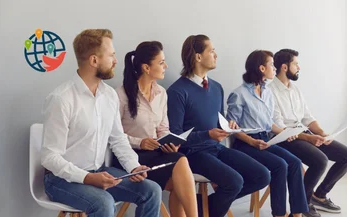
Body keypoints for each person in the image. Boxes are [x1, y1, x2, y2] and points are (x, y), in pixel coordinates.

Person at [41, 29, 161, 217]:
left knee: (151, 191)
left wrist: (133, 166)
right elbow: (49, 157)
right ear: (94, 60)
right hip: (61, 179)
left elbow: (118, 139)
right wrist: (87, 178)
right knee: (104, 203)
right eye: (111, 55)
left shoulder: (109, 95)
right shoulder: (61, 99)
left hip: (98, 171)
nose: (115, 60)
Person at [167, 34, 271, 217]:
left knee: (262, 175)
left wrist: (228, 126)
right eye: (212, 51)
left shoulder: (216, 88)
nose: (216, 55)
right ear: (198, 56)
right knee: (234, 181)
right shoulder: (177, 91)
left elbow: (217, 122)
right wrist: (208, 134)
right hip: (193, 153)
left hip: (216, 148)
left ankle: (200, 206)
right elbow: (176, 136)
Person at [114, 41, 198, 217]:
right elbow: (113, 135)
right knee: (180, 170)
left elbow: (163, 128)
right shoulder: (120, 95)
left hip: (156, 153)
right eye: (161, 62)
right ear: (146, 67)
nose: (166, 66)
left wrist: (169, 142)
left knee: (180, 160)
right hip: (130, 157)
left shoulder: (162, 93)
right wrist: (140, 142)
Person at [226, 50, 308, 217]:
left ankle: (297, 213)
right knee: (280, 165)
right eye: (271, 65)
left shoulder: (267, 92)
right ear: (262, 68)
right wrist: (251, 142)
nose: (274, 68)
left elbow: (268, 124)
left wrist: (286, 132)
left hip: (265, 140)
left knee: (295, 163)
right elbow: (232, 129)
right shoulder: (239, 94)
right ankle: (279, 214)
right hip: (246, 144)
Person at [269, 48, 347, 217]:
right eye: (296, 64)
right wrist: (310, 138)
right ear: (284, 67)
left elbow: (307, 117)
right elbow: (280, 128)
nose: (299, 67)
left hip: (303, 133)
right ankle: (302, 204)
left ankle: (319, 196)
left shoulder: (295, 89)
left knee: (345, 155)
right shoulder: (270, 91)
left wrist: (322, 134)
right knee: (320, 160)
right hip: (284, 138)